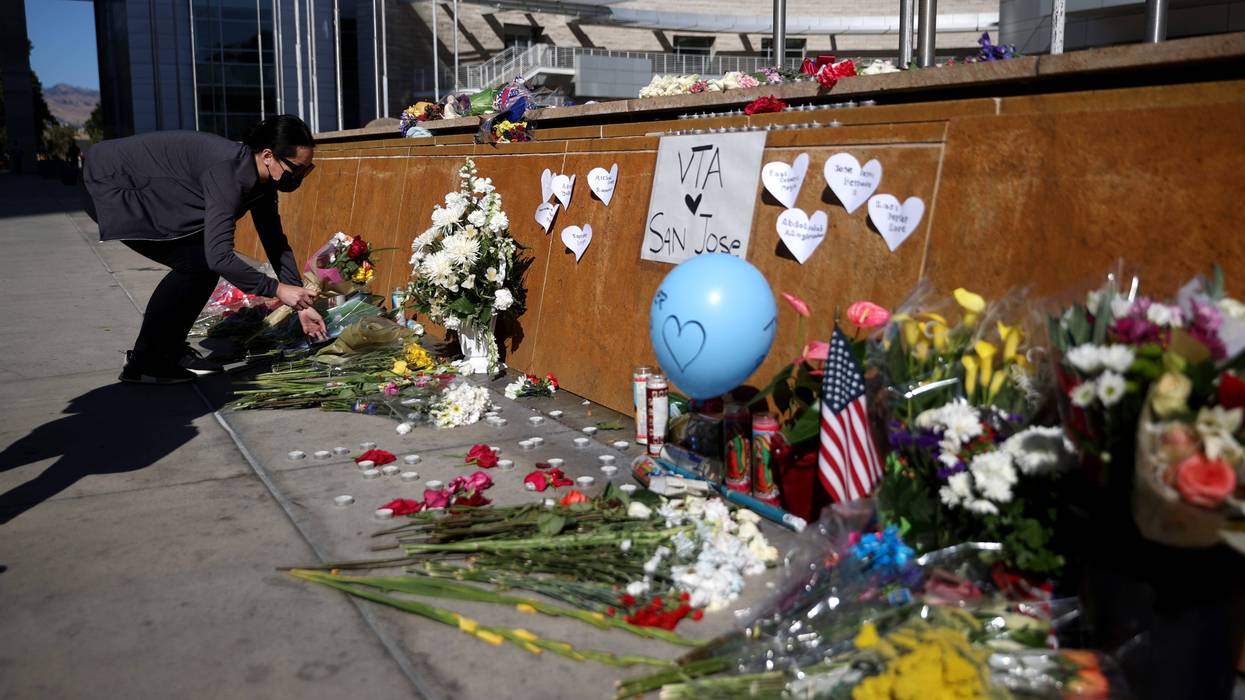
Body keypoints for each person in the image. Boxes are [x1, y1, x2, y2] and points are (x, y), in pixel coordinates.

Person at [81, 115, 327, 384]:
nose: (300, 177)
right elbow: (219, 256)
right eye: (297, 169)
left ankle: (169, 349)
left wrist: (300, 303)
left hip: (154, 187)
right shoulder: (227, 173)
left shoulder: (262, 181)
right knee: (196, 264)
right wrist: (277, 290)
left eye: (307, 169)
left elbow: (273, 239)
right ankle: (146, 361)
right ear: (268, 155)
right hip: (114, 184)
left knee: (200, 265)